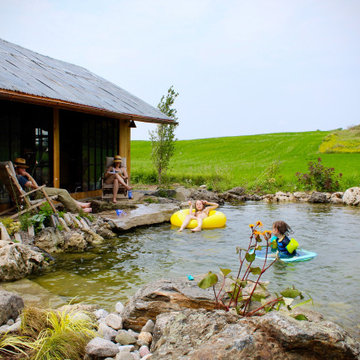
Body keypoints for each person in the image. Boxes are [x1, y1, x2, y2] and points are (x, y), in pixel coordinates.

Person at [14, 158, 92, 213]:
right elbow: (35, 186)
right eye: (22, 168)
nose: (24, 170)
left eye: (25, 169)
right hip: (37, 193)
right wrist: (28, 175)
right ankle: (78, 210)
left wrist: (27, 175)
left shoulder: (16, 177)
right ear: (17, 168)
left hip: (36, 192)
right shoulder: (20, 178)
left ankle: (79, 205)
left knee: (62, 193)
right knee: (62, 192)